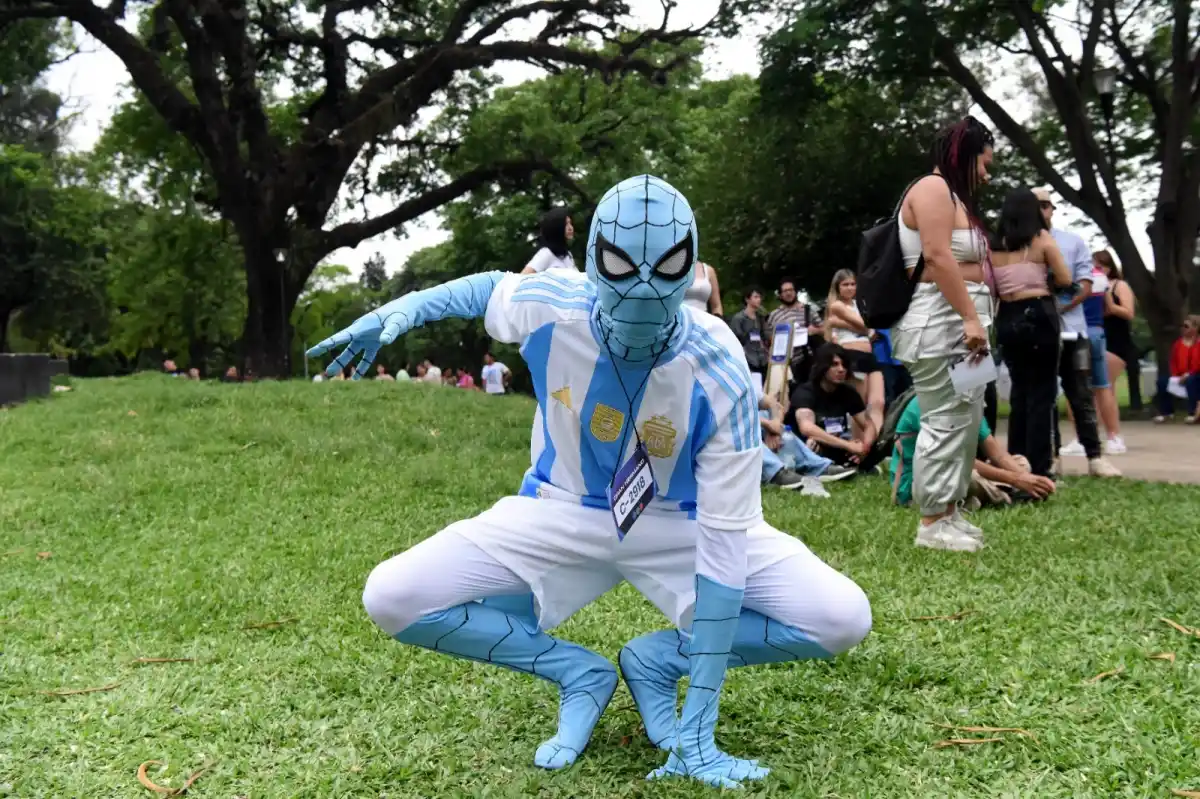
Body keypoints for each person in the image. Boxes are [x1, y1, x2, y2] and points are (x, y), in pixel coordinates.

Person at [308, 175, 871, 789]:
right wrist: (395, 315)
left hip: (680, 522)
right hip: (559, 508)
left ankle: (656, 661)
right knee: (392, 596)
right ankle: (578, 673)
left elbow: (726, 543)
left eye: (663, 278)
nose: (643, 295)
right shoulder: (556, 300)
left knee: (840, 617)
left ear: (690, 277)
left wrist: (698, 729)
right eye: (623, 273)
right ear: (599, 265)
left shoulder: (719, 364)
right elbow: (485, 290)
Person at [890, 116, 997, 552]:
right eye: (984, 164)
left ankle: (951, 510)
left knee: (969, 416)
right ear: (964, 155)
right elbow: (935, 256)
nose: (987, 174)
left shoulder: (954, 197)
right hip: (940, 326)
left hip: (966, 331)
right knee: (945, 418)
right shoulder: (932, 190)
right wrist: (971, 317)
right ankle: (932, 521)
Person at [1033, 189, 1121, 475]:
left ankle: (1095, 457)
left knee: (1081, 394)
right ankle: (1051, 456)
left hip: (1073, 330)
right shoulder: (1017, 244)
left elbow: (1086, 283)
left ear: (1052, 209)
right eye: (1036, 205)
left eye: (1046, 205)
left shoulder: (1072, 242)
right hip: (1037, 331)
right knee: (1042, 395)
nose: (1041, 211)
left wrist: (1060, 307)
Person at [989, 186, 1072, 478]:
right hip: (1038, 314)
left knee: (1019, 393)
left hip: (1008, 317)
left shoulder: (994, 245)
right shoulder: (1042, 239)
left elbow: (991, 288)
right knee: (1042, 394)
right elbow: (1065, 277)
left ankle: (1016, 461)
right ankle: (1040, 466)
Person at [890, 395, 1056, 520]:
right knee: (966, 475)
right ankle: (1007, 495)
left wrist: (1026, 477)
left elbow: (997, 453)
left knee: (1021, 462)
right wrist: (1016, 480)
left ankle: (983, 497)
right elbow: (960, 460)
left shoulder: (967, 400)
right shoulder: (929, 403)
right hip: (913, 489)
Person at [788, 344, 878, 471]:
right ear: (822, 368)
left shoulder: (848, 392)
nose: (841, 369)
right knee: (812, 442)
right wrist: (849, 446)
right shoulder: (805, 392)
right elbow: (807, 428)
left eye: (844, 365)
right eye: (834, 365)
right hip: (805, 447)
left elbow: (869, 425)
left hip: (836, 444)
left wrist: (864, 448)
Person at [824, 269, 885, 434]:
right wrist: (867, 330)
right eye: (845, 285)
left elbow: (871, 326)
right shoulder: (836, 305)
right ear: (838, 287)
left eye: (852, 284)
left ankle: (876, 439)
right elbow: (866, 325)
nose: (850, 288)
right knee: (859, 405)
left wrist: (843, 324)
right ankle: (858, 444)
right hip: (852, 355)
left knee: (878, 401)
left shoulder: (860, 303)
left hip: (868, 354)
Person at [759, 393, 857, 491]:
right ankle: (776, 473)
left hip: (758, 424)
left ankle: (817, 466)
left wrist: (774, 425)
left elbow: (775, 405)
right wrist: (767, 424)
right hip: (747, 432)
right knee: (746, 434)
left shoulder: (748, 383)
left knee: (783, 430)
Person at [1098, 251, 1140, 411]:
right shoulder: (1090, 285)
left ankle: (1134, 407)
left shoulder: (1119, 285)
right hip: (1100, 335)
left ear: (1109, 267)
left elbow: (1129, 313)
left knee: (1121, 373)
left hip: (1119, 337)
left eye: (1101, 267)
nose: (1098, 271)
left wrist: (1110, 302)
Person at [766, 277, 823, 387]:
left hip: (807, 359)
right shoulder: (774, 315)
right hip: (785, 362)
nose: (788, 293)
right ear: (780, 294)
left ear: (795, 291)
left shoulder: (807, 310)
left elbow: (824, 330)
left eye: (791, 290)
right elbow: (768, 338)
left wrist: (814, 330)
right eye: (785, 291)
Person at [1154, 315, 1200, 423]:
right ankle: (1167, 413)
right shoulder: (1178, 344)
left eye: (1186, 326)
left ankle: (1192, 413)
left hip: (1195, 375)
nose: (1183, 329)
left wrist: (1188, 374)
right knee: (1162, 382)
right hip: (1180, 376)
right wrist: (1176, 375)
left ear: (1196, 328)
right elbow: (1173, 361)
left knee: (1191, 380)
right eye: (1182, 326)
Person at [729, 287, 769, 379]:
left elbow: (763, 337)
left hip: (762, 360)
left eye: (759, 297)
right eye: (755, 297)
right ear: (747, 299)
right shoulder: (738, 319)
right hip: (747, 360)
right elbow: (735, 340)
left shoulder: (760, 318)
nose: (759, 300)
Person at [521, 208, 577, 274]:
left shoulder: (568, 255)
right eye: (565, 224)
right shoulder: (546, 253)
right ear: (555, 227)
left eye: (570, 223)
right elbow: (522, 277)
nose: (570, 228)